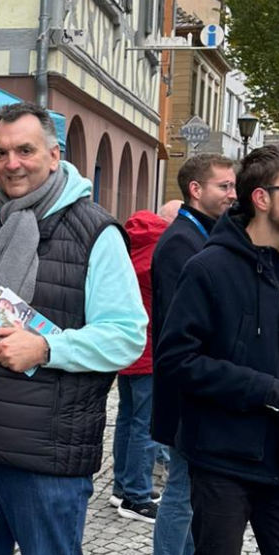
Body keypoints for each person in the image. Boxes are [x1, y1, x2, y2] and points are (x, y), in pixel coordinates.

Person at [0, 102, 147, 555]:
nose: (12, 163)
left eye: (25, 150)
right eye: (1, 153)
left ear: (53, 154)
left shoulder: (94, 232)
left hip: (43, 461)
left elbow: (127, 336)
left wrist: (47, 348)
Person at [154, 146, 279, 555]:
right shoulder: (208, 268)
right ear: (261, 198)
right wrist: (264, 390)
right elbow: (176, 360)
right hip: (221, 462)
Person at [149, 154, 236, 555]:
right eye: (224, 186)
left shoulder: (204, 234)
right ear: (196, 190)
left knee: (193, 488)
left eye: (233, 185)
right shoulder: (181, 242)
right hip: (184, 389)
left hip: (199, 386)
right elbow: (178, 327)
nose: (233, 194)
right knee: (182, 490)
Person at [109, 205, 175, 523]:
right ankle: (136, 496)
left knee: (126, 419)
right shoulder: (161, 251)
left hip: (127, 347)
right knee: (145, 426)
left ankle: (122, 487)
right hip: (150, 350)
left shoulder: (131, 243)